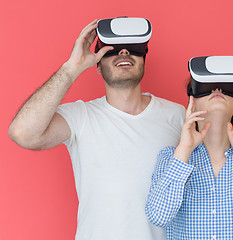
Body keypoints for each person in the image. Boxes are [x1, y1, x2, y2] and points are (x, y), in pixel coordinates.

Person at [8, 18, 185, 240]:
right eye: (111, 50)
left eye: (134, 48)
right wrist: (72, 67)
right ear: (98, 65)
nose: (123, 53)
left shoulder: (178, 115)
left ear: (144, 60)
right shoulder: (80, 116)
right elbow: (23, 133)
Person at [145, 56, 233, 239]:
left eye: (227, 88)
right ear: (193, 100)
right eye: (206, 86)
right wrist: (185, 148)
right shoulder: (170, 157)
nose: (218, 90)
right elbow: (158, 216)